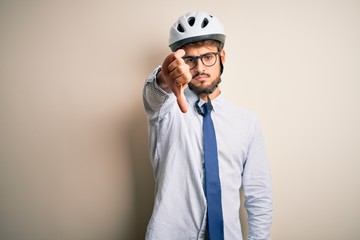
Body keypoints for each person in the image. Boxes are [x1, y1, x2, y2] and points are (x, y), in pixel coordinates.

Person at [142, 11, 272, 240]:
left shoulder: (246, 122)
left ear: (222, 56)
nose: (200, 68)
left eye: (208, 57)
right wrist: (164, 77)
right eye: (190, 60)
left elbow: (259, 196)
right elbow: (154, 94)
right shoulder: (165, 110)